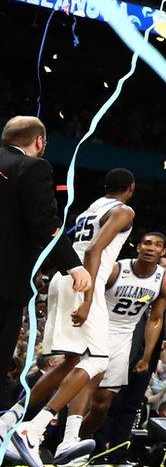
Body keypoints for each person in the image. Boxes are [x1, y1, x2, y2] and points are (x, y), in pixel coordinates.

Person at [3, 168, 137, 467]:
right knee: (98, 361)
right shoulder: (123, 210)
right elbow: (93, 249)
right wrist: (89, 299)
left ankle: (10, 419)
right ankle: (33, 428)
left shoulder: (91, 209)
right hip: (83, 282)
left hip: (62, 279)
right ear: (130, 188)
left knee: (70, 360)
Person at [61, 230, 166, 465]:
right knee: (85, 390)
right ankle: (66, 443)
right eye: (147, 243)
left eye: (157, 245)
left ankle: (81, 441)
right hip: (97, 330)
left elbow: (154, 320)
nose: (151, 248)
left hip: (124, 339)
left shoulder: (163, 280)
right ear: (138, 247)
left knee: (103, 404)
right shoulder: (117, 269)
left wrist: (147, 356)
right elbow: (90, 294)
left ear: (163, 251)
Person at [0, 117, 59, 391]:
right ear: (39, 141)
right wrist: (74, 266)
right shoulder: (33, 167)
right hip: (5, 284)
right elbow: (45, 224)